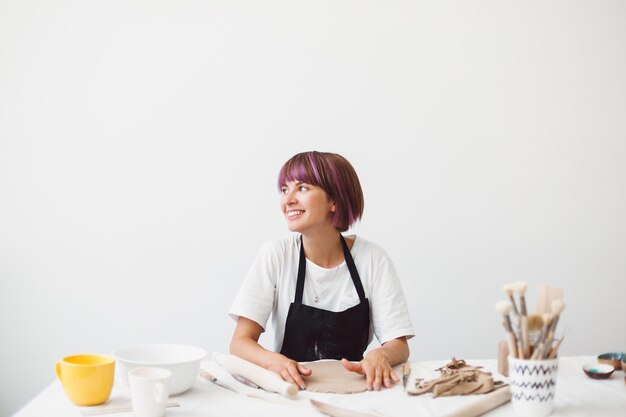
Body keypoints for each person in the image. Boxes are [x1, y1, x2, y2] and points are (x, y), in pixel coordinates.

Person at [229, 151, 414, 391]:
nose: (288, 200)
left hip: (356, 390)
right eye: (285, 190)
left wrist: (381, 355)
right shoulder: (276, 255)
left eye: (302, 188)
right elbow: (240, 343)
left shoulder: (372, 258)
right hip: (292, 390)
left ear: (334, 201)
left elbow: (398, 343)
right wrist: (274, 361)